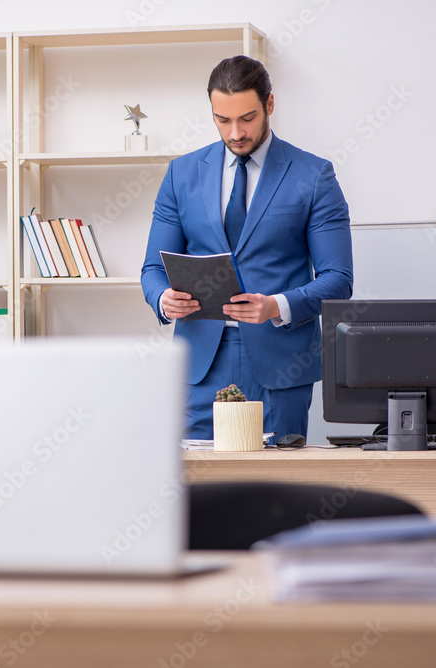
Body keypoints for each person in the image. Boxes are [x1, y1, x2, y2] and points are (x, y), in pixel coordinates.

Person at [140, 55, 353, 441]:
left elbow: (339, 279)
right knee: (199, 491)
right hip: (199, 363)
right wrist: (162, 299)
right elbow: (152, 270)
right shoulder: (181, 173)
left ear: (269, 105)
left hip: (281, 364)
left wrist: (276, 306)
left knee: (276, 492)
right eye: (223, 120)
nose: (235, 132)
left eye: (247, 118)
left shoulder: (314, 175)